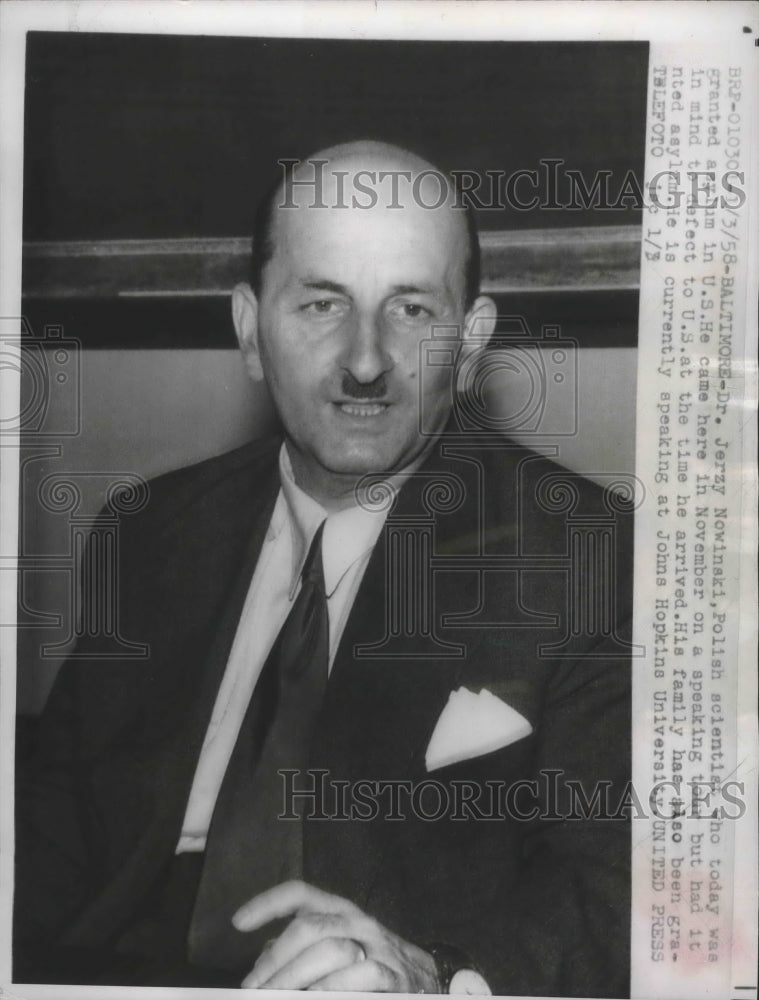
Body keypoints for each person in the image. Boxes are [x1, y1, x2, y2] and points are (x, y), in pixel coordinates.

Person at [14, 141, 633, 996]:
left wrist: (436, 979)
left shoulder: (589, 555)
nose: (366, 362)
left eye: (412, 310)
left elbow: (617, 891)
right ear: (248, 328)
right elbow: (48, 837)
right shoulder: (149, 533)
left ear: (471, 341)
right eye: (320, 305)